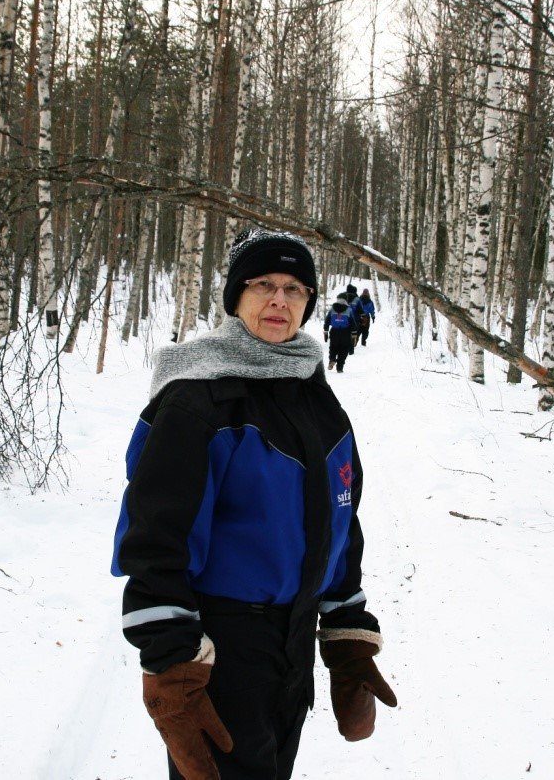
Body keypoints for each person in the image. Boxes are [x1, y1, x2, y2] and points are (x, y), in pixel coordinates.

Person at [111, 227, 396, 780]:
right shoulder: (198, 399)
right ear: (236, 295)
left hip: (293, 646)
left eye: (294, 289)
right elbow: (156, 537)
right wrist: (172, 663)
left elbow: (339, 522)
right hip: (221, 649)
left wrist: (346, 632)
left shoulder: (316, 398)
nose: (278, 300)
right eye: (263, 284)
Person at [323, 296, 356, 373]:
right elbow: (352, 322)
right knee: (344, 349)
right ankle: (339, 368)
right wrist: (354, 333)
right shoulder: (349, 310)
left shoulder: (332, 309)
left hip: (334, 331)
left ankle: (332, 359)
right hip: (345, 332)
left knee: (333, 347)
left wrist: (326, 331)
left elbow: (327, 320)